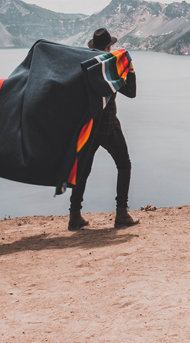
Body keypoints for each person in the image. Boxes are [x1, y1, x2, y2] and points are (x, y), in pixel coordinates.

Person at [69, 27, 139, 231]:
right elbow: (131, 92)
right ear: (109, 47)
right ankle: (122, 213)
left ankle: (74, 215)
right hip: (109, 126)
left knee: (83, 170)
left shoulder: (85, 67)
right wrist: (130, 69)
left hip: (89, 127)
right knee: (124, 165)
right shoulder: (111, 68)